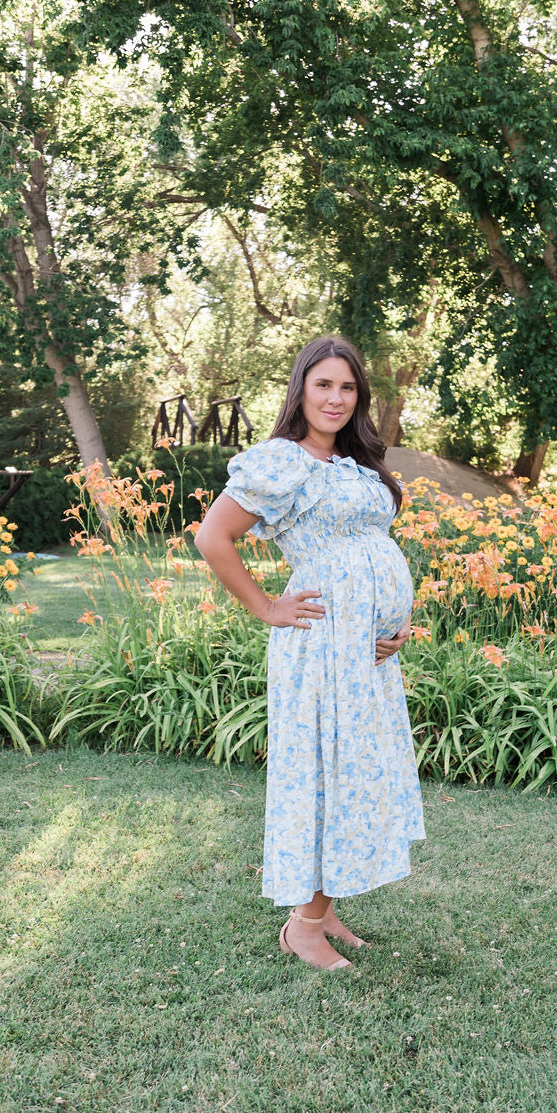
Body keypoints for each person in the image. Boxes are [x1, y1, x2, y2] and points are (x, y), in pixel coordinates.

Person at [194, 335, 425, 972]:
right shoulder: (281, 462)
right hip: (321, 646)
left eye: (347, 387)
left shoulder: (353, 465)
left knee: (353, 775)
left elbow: (369, 550)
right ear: (300, 389)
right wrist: (266, 606)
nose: (336, 398)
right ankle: (304, 926)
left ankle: (321, 910)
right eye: (323, 384)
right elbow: (214, 537)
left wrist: (391, 624)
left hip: (366, 653)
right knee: (330, 774)